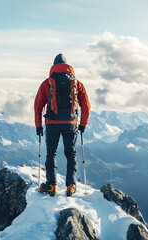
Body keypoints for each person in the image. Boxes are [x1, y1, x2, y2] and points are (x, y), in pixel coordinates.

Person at [34, 53, 90, 197]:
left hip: (52, 123)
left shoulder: (47, 83)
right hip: (70, 123)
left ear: (53, 66)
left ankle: (51, 186)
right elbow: (86, 106)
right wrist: (82, 124)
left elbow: (38, 106)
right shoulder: (76, 83)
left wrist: (38, 125)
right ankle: (71, 186)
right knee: (70, 153)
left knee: (51, 154)